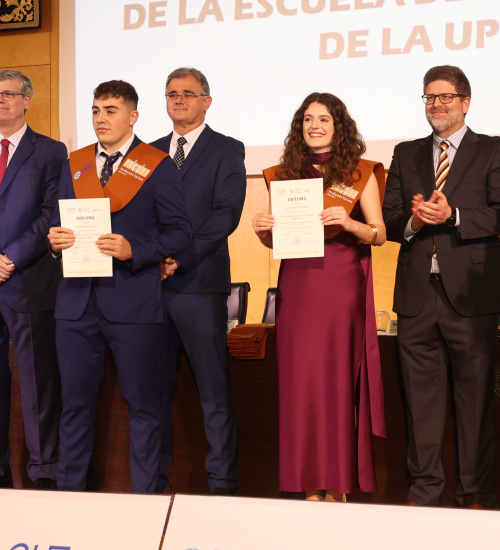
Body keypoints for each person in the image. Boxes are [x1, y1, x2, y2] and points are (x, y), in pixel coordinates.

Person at [382, 66, 500, 509]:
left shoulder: (495, 150)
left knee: (475, 399)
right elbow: (388, 220)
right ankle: (423, 491)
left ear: (465, 102)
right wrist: (413, 220)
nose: (436, 105)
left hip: (473, 294)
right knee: (419, 401)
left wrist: (454, 215)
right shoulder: (405, 153)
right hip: (416, 293)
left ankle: (475, 494)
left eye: (446, 97)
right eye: (429, 98)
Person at [48, 80, 192, 493]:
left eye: (110, 110)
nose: (100, 119)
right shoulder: (73, 164)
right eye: (95, 110)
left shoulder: (157, 164)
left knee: (145, 407)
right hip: (75, 304)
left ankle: (145, 501)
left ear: (132, 116)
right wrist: (53, 242)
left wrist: (136, 249)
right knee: (74, 407)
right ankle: (69, 499)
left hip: (133, 302)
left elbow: (181, 234)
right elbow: (59, 225)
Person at [252, 92, 387, 502]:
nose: (315, 125)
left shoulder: (360, 173)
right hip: (298, 284)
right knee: (301, 386)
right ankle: (308, 484)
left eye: (324, 119)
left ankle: (338, 485)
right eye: (308, 119)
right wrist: (263, 232)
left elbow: (379, 233)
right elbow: (279, 240)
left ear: (338, 126)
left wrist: (349, 223)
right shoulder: (284, 174)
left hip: (340, 284)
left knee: (336, 382)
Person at [0, 69, 69, 490]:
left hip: (28, 280)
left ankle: (44, 470)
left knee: (37, 381)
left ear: (27, 101)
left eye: (9, 94)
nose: (0, 100)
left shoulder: (50, 151)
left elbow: (51, 213)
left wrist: (7, 259)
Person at [151, 67, 246, 495]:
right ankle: (153, 482)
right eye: (172, 93)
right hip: (149, 287)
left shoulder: (227, 149)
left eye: (188, 93)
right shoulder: (147, 153)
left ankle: (221, 485)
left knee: (213, 395)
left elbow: (225, 215)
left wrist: (179, 257)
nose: (179, 100)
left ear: (207, 101)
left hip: (198, 284)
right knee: (152, 396)